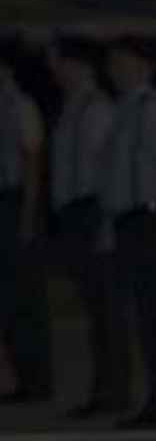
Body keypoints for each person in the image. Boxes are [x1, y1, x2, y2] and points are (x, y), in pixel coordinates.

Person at [101, 37, 156, 425]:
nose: (115, 71)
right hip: (129, 218)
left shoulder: (153, 110)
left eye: (122, 63)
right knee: (145, 315)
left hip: (148, 218)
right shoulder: (125, 109)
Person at [45, 37, 127, 417]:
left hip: (92, 208)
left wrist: (104, 220)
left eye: (60, 63)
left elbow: (106, 171)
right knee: (95, 309)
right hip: (76, 210)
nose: (55, 72)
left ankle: (112, 390)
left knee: (106, 307)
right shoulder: (75, 107)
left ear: (78, 66)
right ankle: (103, 389)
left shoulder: (97, 109)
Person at [0, 48, 49, 404]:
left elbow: (32, 161)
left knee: (23, 296)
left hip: (13, 200)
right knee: (11, 297)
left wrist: (28, 217)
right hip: (7, 199)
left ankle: (33, 380)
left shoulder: (20, 105)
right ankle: (16, 378)